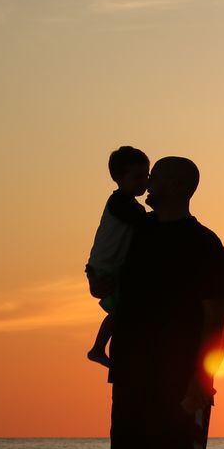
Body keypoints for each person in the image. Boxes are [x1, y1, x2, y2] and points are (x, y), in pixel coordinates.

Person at [109, 156, 224, 449]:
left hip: (183, 372)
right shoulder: (136, 232)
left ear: (178, 185)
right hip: (133, 366)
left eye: (155, 175)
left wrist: (203, 376)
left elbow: (216, 317)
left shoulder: (205, 243)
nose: (147, 182)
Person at [86, 146, 151, 367]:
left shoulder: (129, 204)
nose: (144, 182)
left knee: (121, 311)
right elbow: (143, 225)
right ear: (118, 178)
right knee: (121, 311)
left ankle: (97, 349)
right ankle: (97, 349)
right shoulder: (119, 202)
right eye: (138, 177)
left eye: (147, 176)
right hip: (105, 267)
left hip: (108, 266)